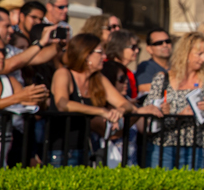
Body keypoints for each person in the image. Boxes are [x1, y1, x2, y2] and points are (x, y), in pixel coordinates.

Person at [50, 33, 161, 167]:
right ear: (86, 54)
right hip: (61, 149)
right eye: (100, 53)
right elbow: (62, 104)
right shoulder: (63, 73)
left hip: (87, 148)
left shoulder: (97, 78)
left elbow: (125, 104)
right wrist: (101, 111)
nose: (104, 57)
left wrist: (120, 110)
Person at [145, 32, 204, 169]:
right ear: (185, 53)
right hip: (163, 146)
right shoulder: (162, 78)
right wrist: (174, 114)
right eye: (199, 54)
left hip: (196, 147)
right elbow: (146, 117)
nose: (203, 59)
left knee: (193, 189)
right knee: (160, 189)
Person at [0, 32, 50, 168]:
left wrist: (39, 96)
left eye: (3, 51)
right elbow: (17, 99)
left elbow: (32, 105)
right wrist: (17, 98)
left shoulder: (8, 81)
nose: (1, 56)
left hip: (1, 164)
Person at [104, 29, 139, 100]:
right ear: (119, 48)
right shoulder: (104, 68)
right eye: (133, 47)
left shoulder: (129, 73)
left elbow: (133, 98)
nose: (137, 50)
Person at [136, 27, 172, 94]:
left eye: (168, 41)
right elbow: (144, 89)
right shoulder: (146, 66)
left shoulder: (177, 66)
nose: (165, 45)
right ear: (149, 49)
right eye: (159, 43)